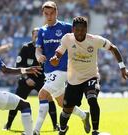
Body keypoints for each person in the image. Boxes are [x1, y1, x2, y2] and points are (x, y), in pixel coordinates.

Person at [50, 16, 128, 135]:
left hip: (91, 76)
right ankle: (63, 129)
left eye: (82, 30)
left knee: (92, 99)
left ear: (86, 29)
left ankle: (95, 131)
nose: (80, 33)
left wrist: (123, 68)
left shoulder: (95, 40)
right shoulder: (67, 39)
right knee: (66, 110)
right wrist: (55, 59)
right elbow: (58, 53)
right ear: (73, 29)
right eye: (77, 30)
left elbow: (113, 48)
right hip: (73, 80)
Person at [34, 1, 90, 135]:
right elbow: (38, 49)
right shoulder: (42, 31)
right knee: (62, 103)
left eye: (51, 13)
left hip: (63, 69)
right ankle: (84, 115)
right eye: (46, 13)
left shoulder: (66, 27)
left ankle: (35, 131)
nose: (49, 16)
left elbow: (81, 36)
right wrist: (38, 56)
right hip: (48, 71)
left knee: (42, 94)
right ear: (43, 14)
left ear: (56, 12)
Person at [3, 27, 59, 131]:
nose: (38, 38)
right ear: (32, 36)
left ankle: (55, 125)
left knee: (50, 100)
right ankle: (8, 125)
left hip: (41, 79)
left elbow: (51, 64)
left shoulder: (46, 48)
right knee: (16, 101)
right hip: (26, 79)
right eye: (36, 36)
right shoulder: (25, 47)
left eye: (40, 36)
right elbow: (18, 65)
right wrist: (26, 78)